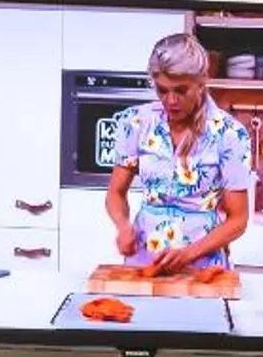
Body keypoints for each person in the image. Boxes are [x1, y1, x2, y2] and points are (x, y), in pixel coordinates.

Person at [105, 34, 253, 274]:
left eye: (181, 90)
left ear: (201, 82)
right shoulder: (136, 123)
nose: (171, 100)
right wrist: (122, 226)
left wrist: (188, 254)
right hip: (144, 261)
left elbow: (238, 220)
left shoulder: (230, 134)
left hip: (202, 266)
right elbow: (115, 193)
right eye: (162, 90)